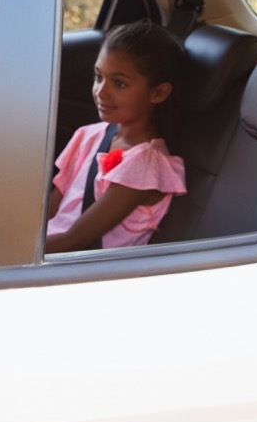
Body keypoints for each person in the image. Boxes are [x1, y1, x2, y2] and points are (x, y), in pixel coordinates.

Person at [45, 21, 187, 253]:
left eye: (119, 83)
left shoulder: (144, 166)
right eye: (99, 77)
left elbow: (76, 240)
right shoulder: (89, 136)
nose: (101, 91)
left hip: (75, 267)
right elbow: (50, 212)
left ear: (158, 92)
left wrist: (7, 256)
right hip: (47, 250)